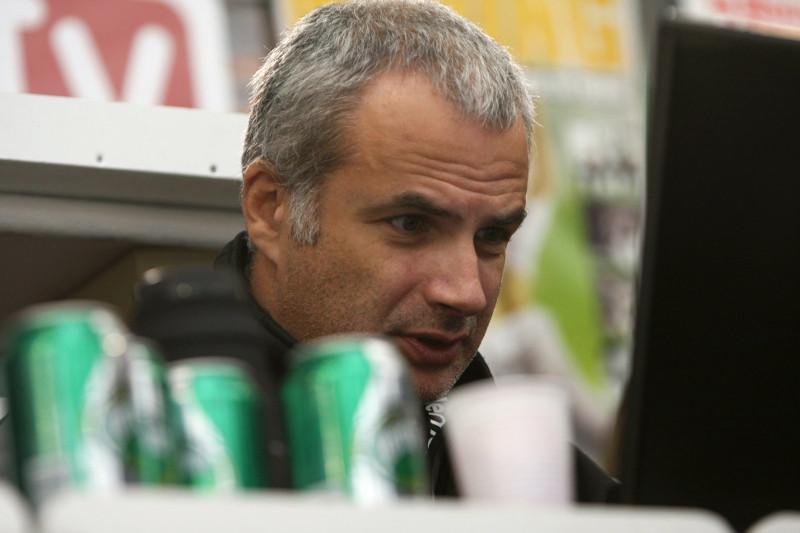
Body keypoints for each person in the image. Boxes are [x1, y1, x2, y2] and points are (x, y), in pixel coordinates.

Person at [216, 0, 618, 501]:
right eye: (411, 225)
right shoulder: (146, 448)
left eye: (492, 237)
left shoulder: (563, 497)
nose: (466, 293)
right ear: (270, 208)